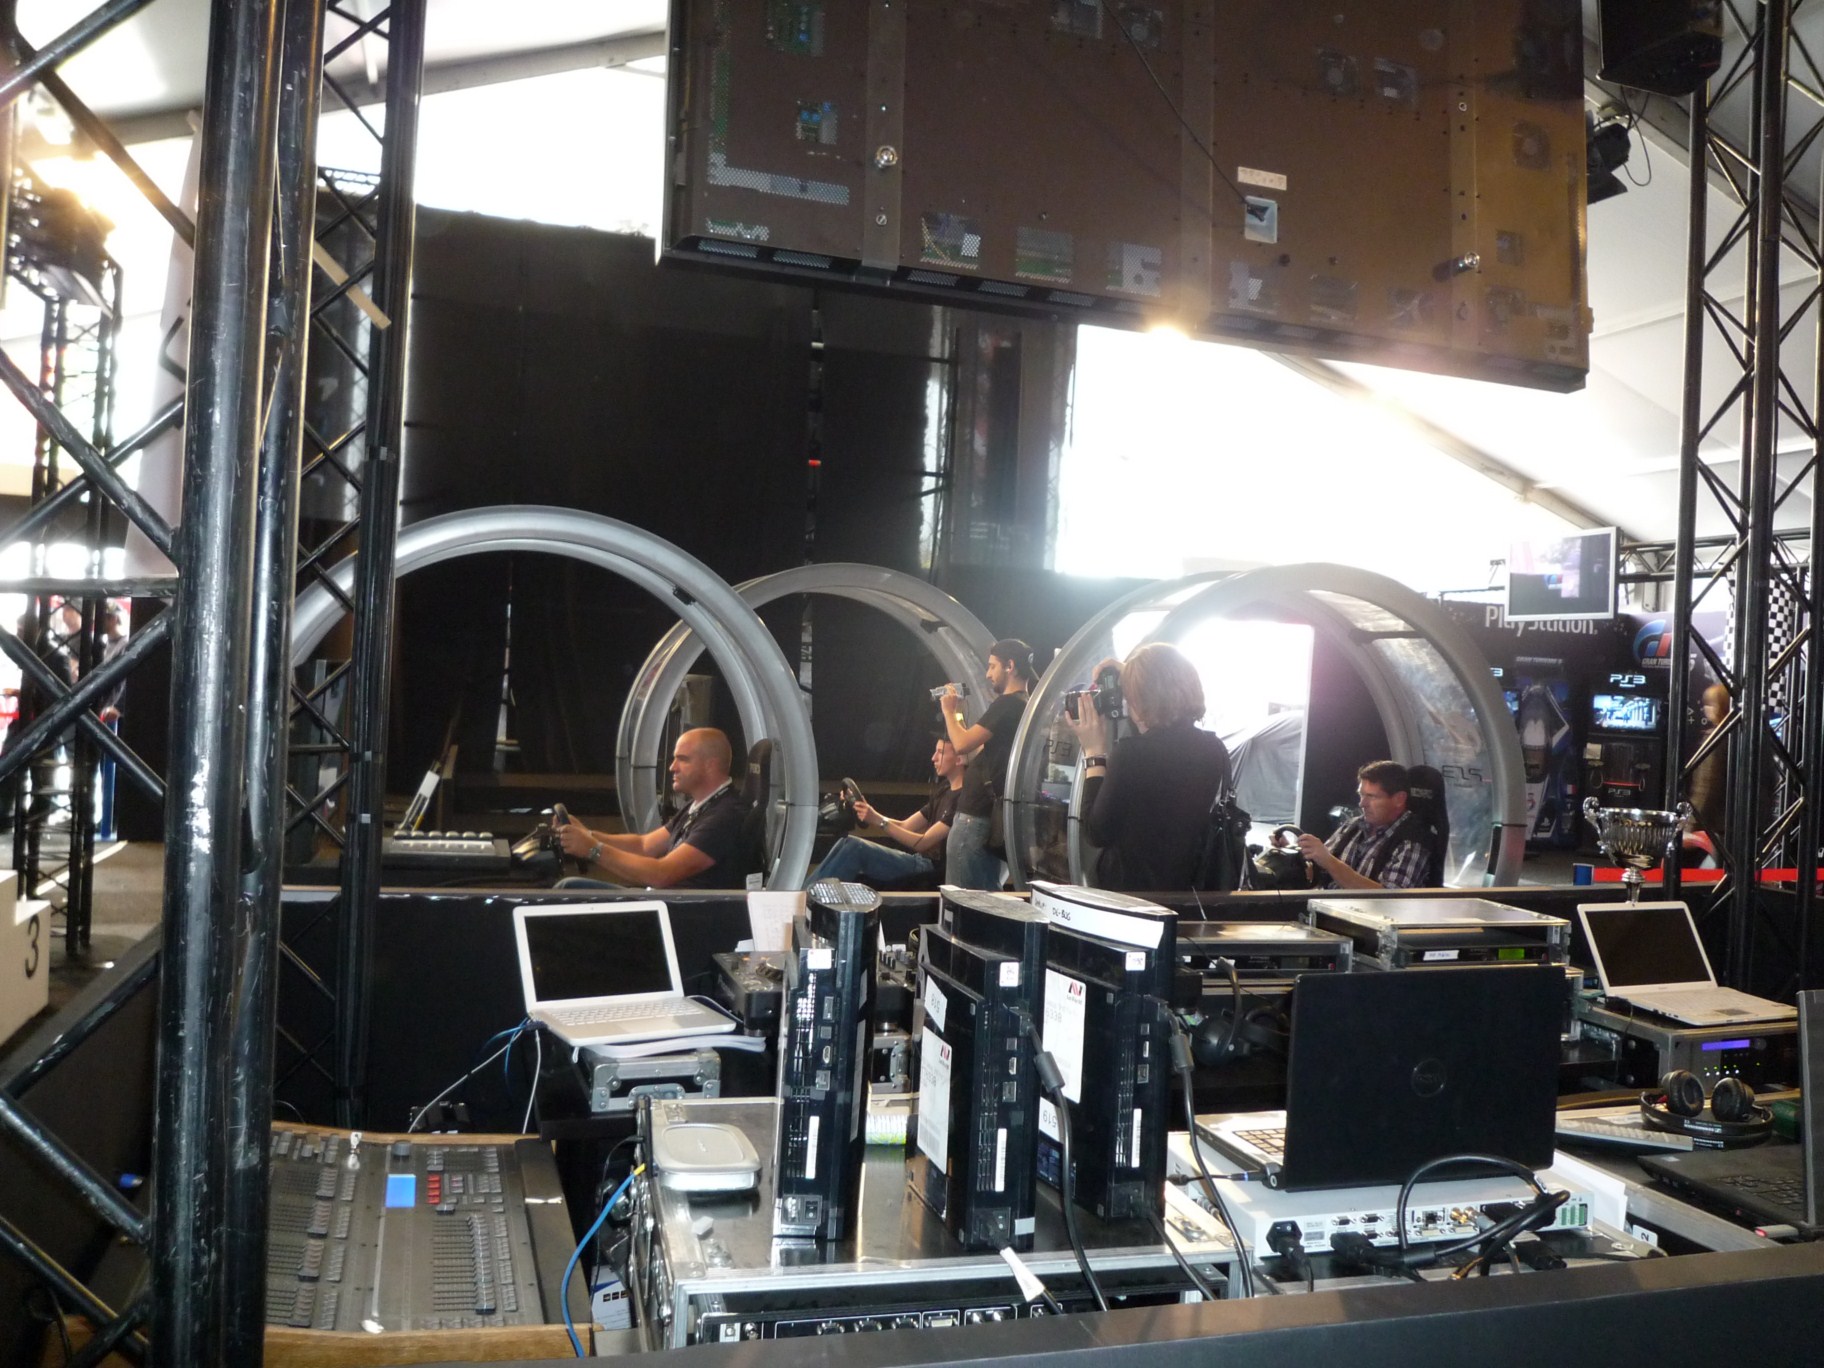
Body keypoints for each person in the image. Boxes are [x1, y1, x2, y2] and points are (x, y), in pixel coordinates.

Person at [1064, 642, 1233, 891]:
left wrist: (1093, 753)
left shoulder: (1132, 753)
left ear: (1141, 698)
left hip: (1130, 896)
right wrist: (1139, 674)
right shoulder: (1214, 749)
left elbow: (1096, 832)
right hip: (1186, 891)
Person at [555, 727, 750, 889]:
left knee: (568, 889)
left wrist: (592, 849)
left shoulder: (725, 816)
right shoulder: (702, 805)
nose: (672, 767)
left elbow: (661, 874)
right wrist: (587, 834)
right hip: (663, 903)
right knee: (570, 887)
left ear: (710, 765)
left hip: (680, 915)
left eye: (683, 759)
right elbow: (644, 845)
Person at [940, 637, 1036, 890]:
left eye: (992, 666)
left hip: (976, 819)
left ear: (1010, 666)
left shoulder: (1008, 703)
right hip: (992, 819)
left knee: (964, 900)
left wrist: (949, 711)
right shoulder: (1027, 705)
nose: (987, 674)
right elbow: (975, 748)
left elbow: (961, 745)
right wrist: (958, 715)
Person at [810, 735, 964, 888]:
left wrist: (878, 820)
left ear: (959, 759)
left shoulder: (962, 800)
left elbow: (922, 843)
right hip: (919, 860)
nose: (933, 758)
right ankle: (806, 893)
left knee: (855, 848)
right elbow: (906, 825)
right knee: (845, 842)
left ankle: (810, 895)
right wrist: (869, 812)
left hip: (928, 869)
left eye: (940, 752)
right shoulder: (944, 790)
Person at [1297, 760, 1436, 890]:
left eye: (1371, 796)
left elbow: (1389, 899)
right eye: (1361, 795)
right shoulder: (1352, 826)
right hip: (1324, 904)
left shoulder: (1412, 843)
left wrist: (1329, 862)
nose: (1362, 803)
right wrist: (1297, 858)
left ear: (1399, 799)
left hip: (1359, 909)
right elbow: (1319, 868)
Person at [1687, 682, 1729, 837]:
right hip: (1754, 827)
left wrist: (1691, 825)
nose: (1706, 709)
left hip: (1717, 828)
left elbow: (1707, 785)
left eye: (1711, 704)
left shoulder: (1716, 738)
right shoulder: (1753, 736)